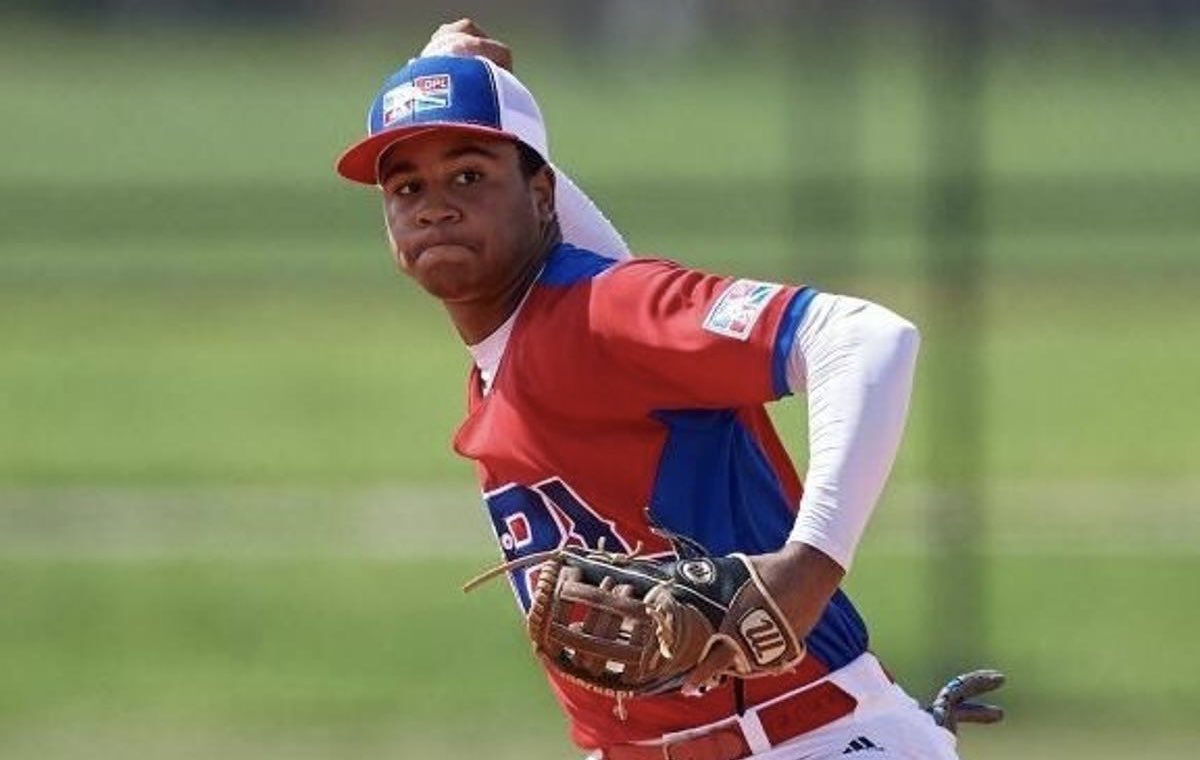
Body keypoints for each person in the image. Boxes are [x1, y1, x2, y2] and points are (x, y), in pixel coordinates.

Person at [334, 19, 983, 760]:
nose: (434, 205)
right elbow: (581, 257)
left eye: (470, 175)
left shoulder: (596, 313)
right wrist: (455, 92)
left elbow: (867, 337)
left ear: (540, 192)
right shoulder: (524, 342)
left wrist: (811, 566)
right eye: (406, 185)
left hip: (807, 738)